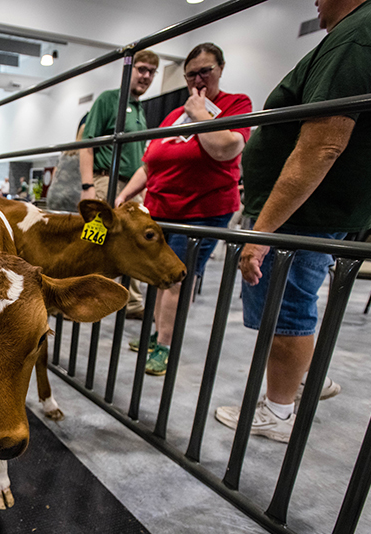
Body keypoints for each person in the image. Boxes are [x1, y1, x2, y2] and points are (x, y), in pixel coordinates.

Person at [215, 0, 371, 443]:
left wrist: (261, 232)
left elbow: (321, 146)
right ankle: (304, 377)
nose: (314, 1)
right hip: (312, 211)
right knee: (295, 302)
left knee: (287, 310)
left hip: (302, 213)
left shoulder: (362, 33)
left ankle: (279, 411)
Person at [117, 43, 252, 377]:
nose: (198, 79)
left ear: (220, 68)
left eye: (205, 70)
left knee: (176, 280)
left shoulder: (235, 104)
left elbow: (225, 149)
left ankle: (164, 343)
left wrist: (200, 114)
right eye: (191, 73)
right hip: (161, 209)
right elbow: (150, 164)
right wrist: (124, 196)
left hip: (201, 210)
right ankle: (155, 334)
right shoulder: (172, 115)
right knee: (157, 277)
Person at [80, 49, 160, 317]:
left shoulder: (139, 109)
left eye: (151, 71)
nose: (146, 76)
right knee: (95, 237)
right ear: (129, 70)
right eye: (141, 69)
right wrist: (88, 187)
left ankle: (133, 301)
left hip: (132, 189)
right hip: (106, 182)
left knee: (133, 242)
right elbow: (87, 144)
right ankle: (82, 293)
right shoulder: (108, 100)